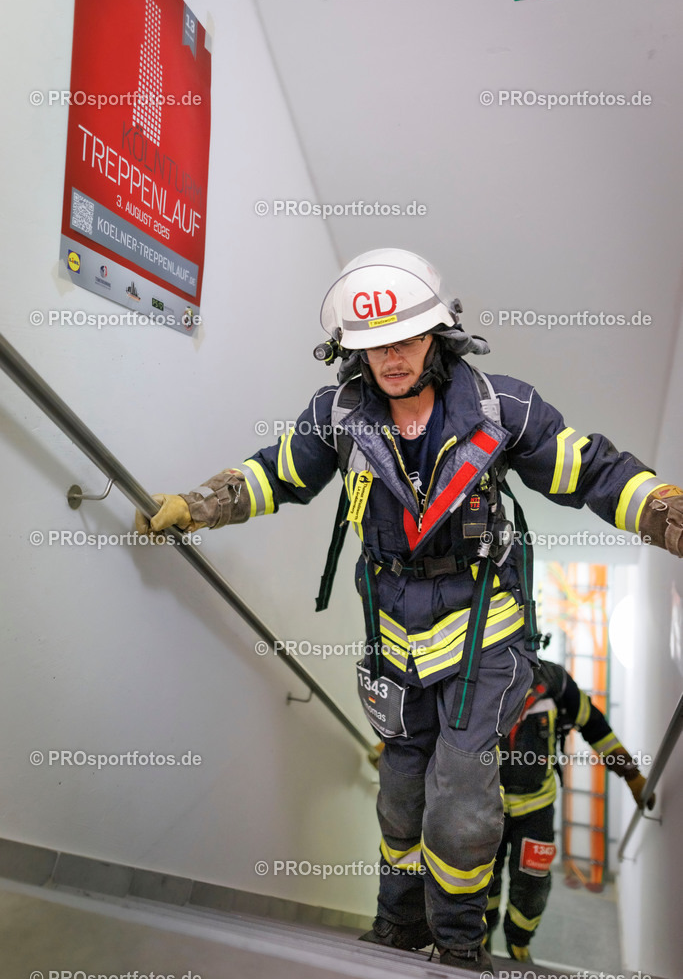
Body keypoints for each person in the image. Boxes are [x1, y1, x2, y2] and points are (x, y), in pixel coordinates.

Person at [135, 249, 683, 972]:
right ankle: (395, 927)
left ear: (438, 336)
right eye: (371, 345)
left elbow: (595, 472)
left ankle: (457, 943)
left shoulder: (500, 409)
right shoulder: (338, 414)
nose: (390, 358)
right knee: (399, 799)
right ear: (348, 349)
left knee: (458, 803)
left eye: (405, 338)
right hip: (392, 640)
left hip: (483, 637)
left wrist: (667, 513)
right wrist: (202, 504)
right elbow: (278, 471)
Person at [486, 656, 655, 965]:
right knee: (482, 882)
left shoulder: (554, 682)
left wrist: (632, 776)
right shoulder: (476, 675)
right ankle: (478, 943)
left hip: (536, 810)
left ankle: (518, 946)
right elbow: (438, 723)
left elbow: (596, 727)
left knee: (532, 887)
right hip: (483, 808)